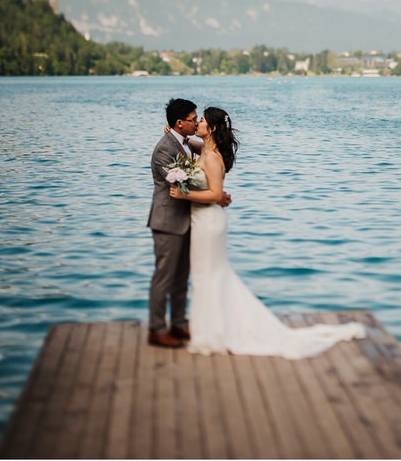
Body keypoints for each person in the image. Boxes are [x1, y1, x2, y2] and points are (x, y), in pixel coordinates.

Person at [169, 106, 366, 358]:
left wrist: (183, 192)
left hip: (209, 222)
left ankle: (215, 333)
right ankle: (214, 328)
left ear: (213, 128)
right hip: (202, 220)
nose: (198, 124)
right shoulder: (206, 149)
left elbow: (216, 194)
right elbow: (196, 146)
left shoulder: (213, 158)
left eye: (203, 121)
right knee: (207, 275)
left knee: (208, 275)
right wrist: (180, 136)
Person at [147, 98, 231, 348]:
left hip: (190, 220)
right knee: (164, 276)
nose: (196, 123)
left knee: (182, 276)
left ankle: (180, 324)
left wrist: (216, 193)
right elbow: (182, 183)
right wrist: (217, 194)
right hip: (168, 221)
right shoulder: (165, 149)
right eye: (193, 120)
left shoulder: (186, 143)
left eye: (199, 120)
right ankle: (157, 329)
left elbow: (199, 174)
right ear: (179, 122)